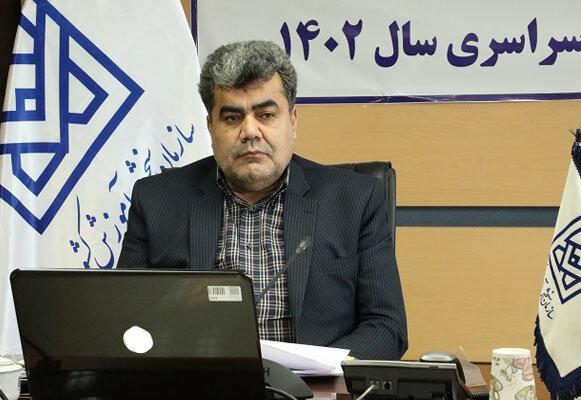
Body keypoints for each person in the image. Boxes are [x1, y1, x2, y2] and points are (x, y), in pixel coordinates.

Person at [117, 40, 407, 360]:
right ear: (211, 127)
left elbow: (386, 326)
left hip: (313, 383)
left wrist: (316, 369)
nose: (250, 131)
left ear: (292, 121)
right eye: (232, 118)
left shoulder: (355, 200)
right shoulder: (156, 201)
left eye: (266, 114)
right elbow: (126, 321)